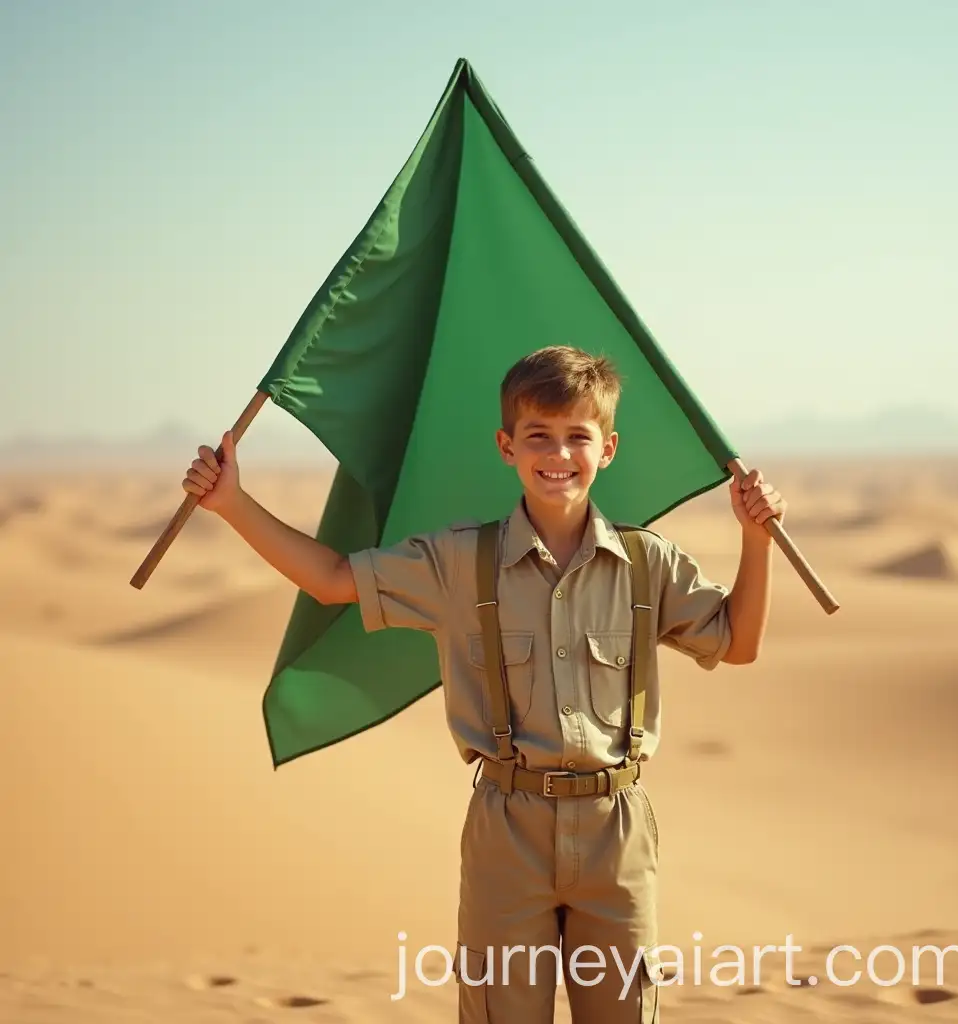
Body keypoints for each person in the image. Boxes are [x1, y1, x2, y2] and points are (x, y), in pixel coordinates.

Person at [182, 345, 786, 1023]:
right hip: (508, 830)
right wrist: (231, 503)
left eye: (577, 437)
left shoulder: (650, 566)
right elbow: (330, 581)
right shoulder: (458, 563)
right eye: (538, 436)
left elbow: (738, 644)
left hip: (617, 830)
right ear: (506, 446)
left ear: (608, 448)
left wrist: (755, 540)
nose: (558, 454)